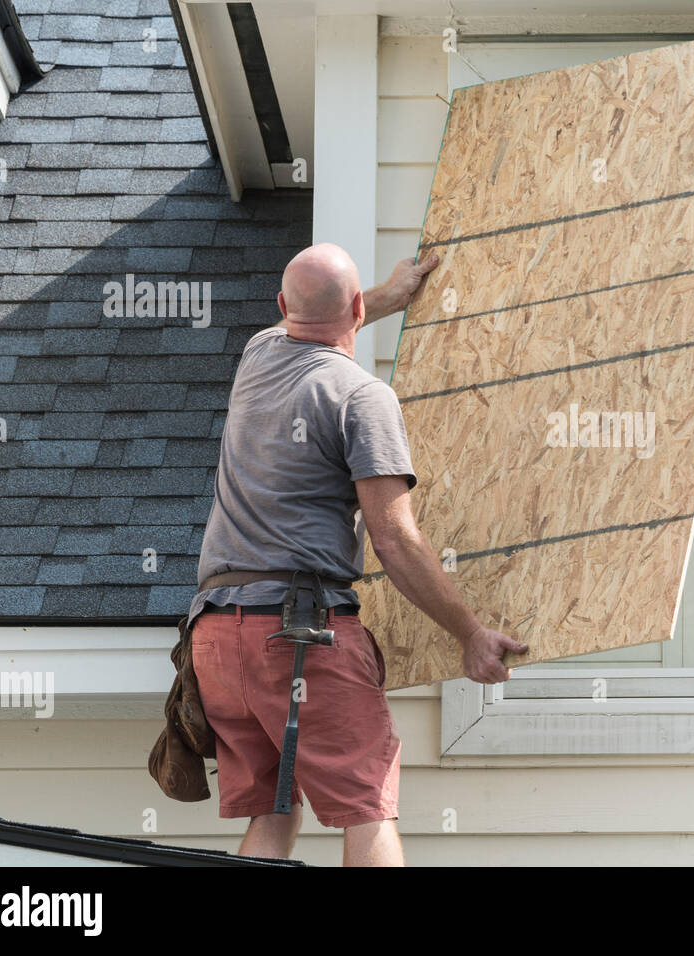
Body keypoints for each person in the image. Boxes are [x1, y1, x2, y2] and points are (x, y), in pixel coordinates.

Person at [187, 243, 527, 866]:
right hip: (296, 639)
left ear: (282, 306)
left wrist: (390, 296)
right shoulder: (361, 398)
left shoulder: (257, 355)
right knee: (368, 803)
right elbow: (394, 539)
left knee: (275, 807)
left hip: (215, 640)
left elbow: (319, 320)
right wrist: (470, 633)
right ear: (359, 307)